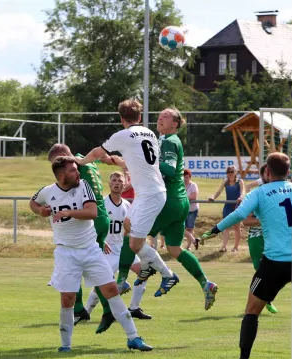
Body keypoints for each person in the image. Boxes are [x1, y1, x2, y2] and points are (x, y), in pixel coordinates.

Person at [29, 156, 152, 352]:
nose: (77, 173)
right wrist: (40, 211)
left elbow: (92, 212)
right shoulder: (48, 191)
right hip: (65, 253)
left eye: (77, 169)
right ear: (61, 175)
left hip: (90, 249)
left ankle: (134, 338)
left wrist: (68, 213)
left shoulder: (83, 185)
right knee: (67, 299)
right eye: (72, 171)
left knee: (111, 290)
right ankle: (65, 345)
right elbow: (33, 202)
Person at [201, 152, 292, 359]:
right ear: (289, 172)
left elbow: (239, 215)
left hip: (274, 263)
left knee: (252, 309)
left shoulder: (260, 192)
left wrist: (215, 230)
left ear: (267, 172)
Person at [116, 107, 218, 310]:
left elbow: (169, 169)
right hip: (179, 203)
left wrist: (145, 164)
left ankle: (122, 280)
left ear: (175, 124)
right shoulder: (163, 140)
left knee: (130, 233)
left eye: (166, 116)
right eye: (159, 114)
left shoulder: (169, 140)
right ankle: (206, 283)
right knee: (174, 249)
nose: (160, 117)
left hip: (167, 201)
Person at [76, 99, 180, 298]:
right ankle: (148, 266)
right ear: (139, 117)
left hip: (150, 195)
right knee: (127, 224)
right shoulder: (149, 133)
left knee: (134, 244)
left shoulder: (122, 135)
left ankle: (167, 274)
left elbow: (97, 152)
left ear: (122, 119)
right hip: (150, 192)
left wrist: (80, 160)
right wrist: (117, 161)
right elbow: (143, 162)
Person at [47, 143, 113, 333]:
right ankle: (79, 309)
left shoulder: (74, 167)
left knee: (84, 269)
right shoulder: (87, 161)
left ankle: (108, 311)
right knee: (78, 266)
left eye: (57, 163)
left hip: (89, 218)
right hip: (101, 216)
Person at [85, 171, 152, 321]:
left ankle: (134, 307)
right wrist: (101, 241)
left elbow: (131, 228)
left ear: (125, 184)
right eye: (114, 180)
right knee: (103, 283)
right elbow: (92, 227)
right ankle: (86, 311)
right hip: (107, 249)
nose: (116, 183)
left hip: (123, 248)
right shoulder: (102, 204)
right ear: (109, 184)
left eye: (119, 181)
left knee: (144, 272)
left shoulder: (128, 205)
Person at [241, 163, 277, 314]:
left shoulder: (277, 193)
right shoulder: (256, 195)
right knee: (259, 268)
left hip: (271, 236)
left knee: (273, 268)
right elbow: (245, 221)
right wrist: (263, 221)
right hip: (256, 237)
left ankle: (267, 299)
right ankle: (263, 299)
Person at [208, 165, 245, 252]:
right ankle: (224, 246)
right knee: (226, 227)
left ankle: (235, 247)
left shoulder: (240, 181)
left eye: (232, 171)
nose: (230, 174)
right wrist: (213, 197)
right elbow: (218, 191)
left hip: (236, 206)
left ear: (235, 172)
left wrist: (241, 197)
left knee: (236, 227)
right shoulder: (225, 181)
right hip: (227, 206)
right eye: (228, 172)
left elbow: (243, 192)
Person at [184, 169, 200, 250]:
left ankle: (188, 246)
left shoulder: (193, 185)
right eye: (184, 177)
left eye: (187, 177)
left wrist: (183, 197)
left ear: (190, 177)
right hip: (183, 209)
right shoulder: (181, 185)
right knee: (182, 228)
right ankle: (194, 241)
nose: (185, 179)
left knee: (190, 228)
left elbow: (194, 196)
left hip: (192, 209)